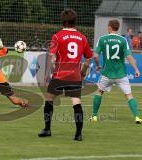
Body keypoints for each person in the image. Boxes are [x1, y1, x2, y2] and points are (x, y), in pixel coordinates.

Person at [38, 9, 93, 141]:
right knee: (76, 102)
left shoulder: (57, 36)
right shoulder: (82, 37)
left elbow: (51, 57)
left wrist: (46, 73)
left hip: (59, 74)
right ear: (75, 21)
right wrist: (83, 72)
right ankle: (78, 134)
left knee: (49, 99)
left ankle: (47, 129)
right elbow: (89, 59)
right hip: (75, 76)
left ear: (63, 21)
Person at [90, 19, 142, 124]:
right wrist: (136, 70)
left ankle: (94, 117)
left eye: (108, 25)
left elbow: (95, 56)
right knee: (129, 95)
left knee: (99, 92)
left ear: (110, 27)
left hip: (106, 74)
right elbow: (129, 57)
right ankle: (137, 117)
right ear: (118, 28)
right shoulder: (123, 40)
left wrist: (98, 66)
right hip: (121, 74)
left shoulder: (102, 39)